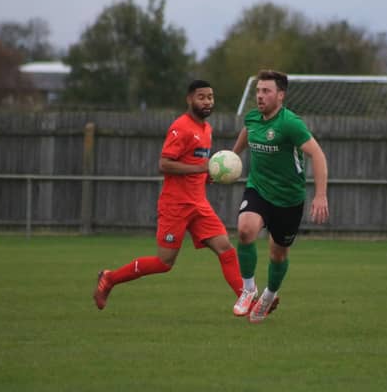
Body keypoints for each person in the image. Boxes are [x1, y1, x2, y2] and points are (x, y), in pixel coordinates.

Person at [93, 80, 243, 310]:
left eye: (210, 97)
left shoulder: (206, 129)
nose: (207, 101)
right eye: (201, 97)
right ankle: (109, 278)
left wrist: (208, 175)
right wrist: (201, 168)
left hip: (199, 204)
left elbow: (196, 163)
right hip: (175, 205)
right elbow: (164, 164)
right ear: (190, 99)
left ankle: (246, 299)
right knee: (164, 262)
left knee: (225, 248)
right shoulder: (181, 127)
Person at [232, 70, 329, 323]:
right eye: (258, 91)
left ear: (281, 95)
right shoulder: (253, 118)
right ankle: (248, 289)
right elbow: (247, 133)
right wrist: (231, 159)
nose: (260, 96)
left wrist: (320, 195)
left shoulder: (290, 124)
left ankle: (268, 295)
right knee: (245, 230)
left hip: (288, 199)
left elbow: (317, 155)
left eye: (266, 91)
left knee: (278, 254)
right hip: (258, 189)